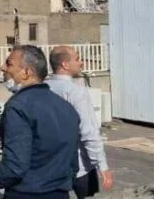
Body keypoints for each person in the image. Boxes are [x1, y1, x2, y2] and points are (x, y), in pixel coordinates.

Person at [0, 45, 80, 199]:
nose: (2, 68)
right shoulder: (67, 108)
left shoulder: (18, 106)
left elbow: (14, 167)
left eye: (9, 64)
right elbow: (73, 164)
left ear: (27, 72)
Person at [47, 46, 113, 198]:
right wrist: (102, 165)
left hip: (50, 165)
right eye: (77, 59)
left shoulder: (44, 88)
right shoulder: (75, 92)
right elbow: (88, 132)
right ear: (65, 64)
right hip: (79, 165)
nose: (81, 62)